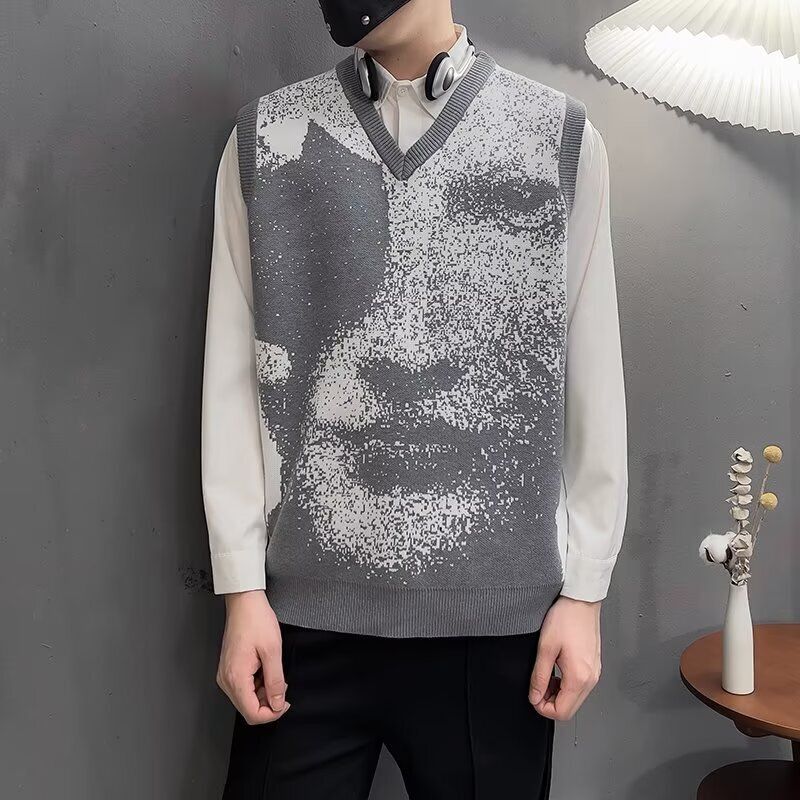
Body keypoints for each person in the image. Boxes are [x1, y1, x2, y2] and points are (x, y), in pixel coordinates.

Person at [201, 0, 628, 797]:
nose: (403, 351)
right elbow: (232, 373)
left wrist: (585, 592)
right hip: (301, 629)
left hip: (500, 633)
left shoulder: (557, 136)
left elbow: (590, 371)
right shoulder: (268, 137)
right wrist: (241, 589)